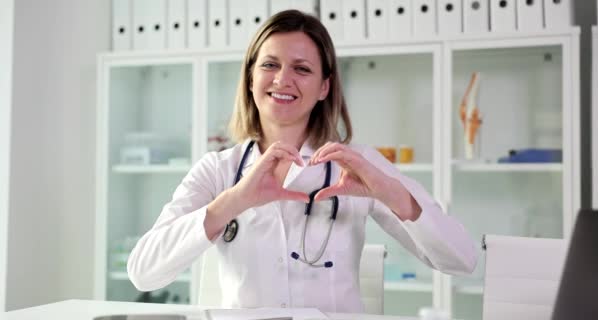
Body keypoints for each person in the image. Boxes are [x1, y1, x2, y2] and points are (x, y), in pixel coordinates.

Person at [127, 10, 477, 313]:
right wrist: (233, 202)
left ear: (325, 87)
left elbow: (463, 260)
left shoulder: (357, 164)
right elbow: (144, 271)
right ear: (250, 78)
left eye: (302, 68)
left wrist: (391, 193)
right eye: (270, 64)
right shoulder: (218, 170)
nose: (282, 79)